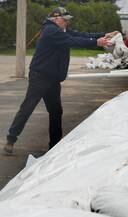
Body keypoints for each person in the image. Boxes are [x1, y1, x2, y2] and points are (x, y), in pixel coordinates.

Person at [3, 7, 113, 154]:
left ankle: (54, 147)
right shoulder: (51, 31)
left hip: (52, 79)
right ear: (55, 19)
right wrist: (96, 42)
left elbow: (81, 35)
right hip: (40, 77)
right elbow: (73, 41)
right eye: (65, 19)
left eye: (68, 20)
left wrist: (103, 35)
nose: (67, 22)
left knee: (56, 111)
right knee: (27, 108)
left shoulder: (61, 30)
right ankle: (11, 139)